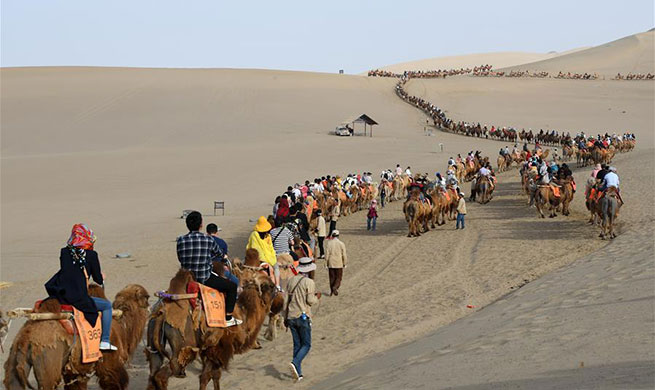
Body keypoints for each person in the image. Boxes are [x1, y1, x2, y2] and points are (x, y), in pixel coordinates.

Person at [45, 224, 118, 351]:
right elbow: (98, 279)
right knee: (106, 306)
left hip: (61, 295)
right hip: (77, 297)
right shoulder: (91, 255)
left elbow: (70, 271)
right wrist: (101, 276)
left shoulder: (64, 252)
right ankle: (105, 341)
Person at [177, 212, 241, 326]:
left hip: (187, 279)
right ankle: (228, 317)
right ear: (201, 225)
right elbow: (219, 253)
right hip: (204, 278)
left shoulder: (180, 240)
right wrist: (222, 257)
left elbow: (180, 258)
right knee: (232, 286)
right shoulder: (208, 239)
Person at [286, 257, 320, 382]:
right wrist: (317, 297)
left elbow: (287, 300)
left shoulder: (291, 281)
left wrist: (285, 317)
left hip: (291, 316)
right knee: (306, 344)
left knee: (297, 344)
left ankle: (298, 373)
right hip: (303, 316)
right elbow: (310, 301)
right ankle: (295, 363)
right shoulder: (309, 282)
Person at [248, 216, 282, 291]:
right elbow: (256, 249)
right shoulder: (254, 235)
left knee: (276, 267)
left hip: (270, 258)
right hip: (258, 258)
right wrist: (265, 261)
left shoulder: (268, 236)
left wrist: (273, 258)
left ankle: (277, 286)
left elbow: (271, 248)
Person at [270, 221, 295, 290]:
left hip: (276, 255)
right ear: (282, 223)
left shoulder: (272, 232)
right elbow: (292, 243)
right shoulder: (287, 230)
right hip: (286, 253)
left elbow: (270, 243)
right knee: (296, 258)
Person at [325, 230, 347, 296]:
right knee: (338, 277)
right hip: (339, 262)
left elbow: (327, 254)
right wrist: (344, 263)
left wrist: (326, 263)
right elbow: (344, 254)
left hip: (331, 262)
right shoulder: (341, 243)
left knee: (332, 277)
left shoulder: (329, 243)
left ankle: (331, 291)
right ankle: (335, 287)